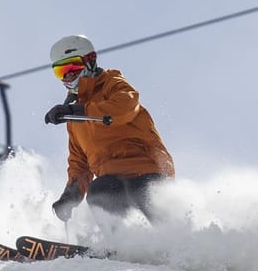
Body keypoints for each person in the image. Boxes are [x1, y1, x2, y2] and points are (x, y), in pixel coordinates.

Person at [44, 35, 175, 224]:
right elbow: (79, 163)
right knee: (99, 192)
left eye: (73, 67)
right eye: (61, 71)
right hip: (113, 179)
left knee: (143, 193)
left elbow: (126, 106)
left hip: (147, 170)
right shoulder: (75, 120)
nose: (68, 75)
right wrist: (70, 196)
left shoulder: (112, 83)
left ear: (90, 61)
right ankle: (119, 245)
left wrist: (77, 110)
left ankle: (174, 239)